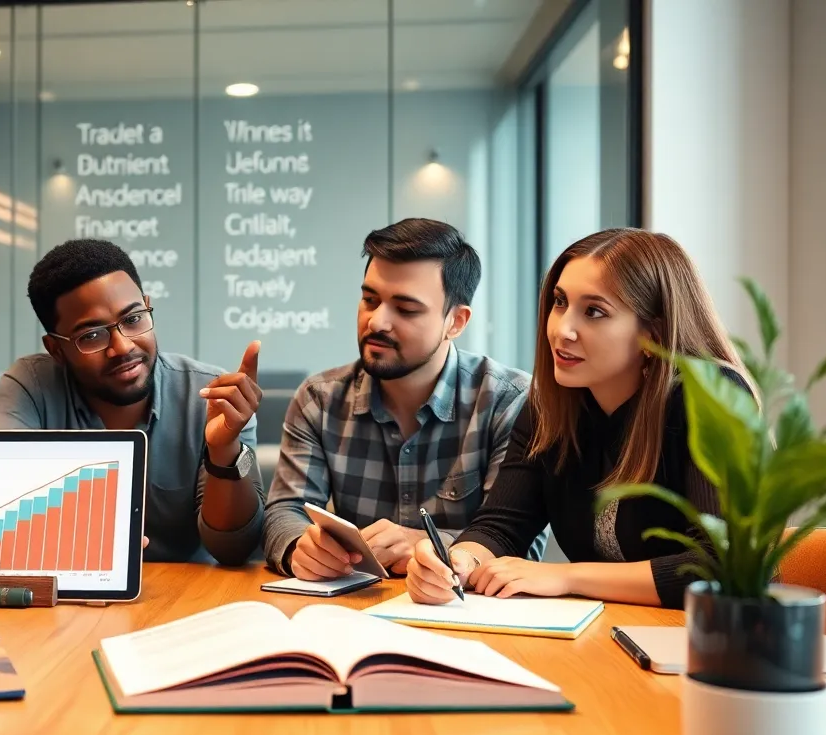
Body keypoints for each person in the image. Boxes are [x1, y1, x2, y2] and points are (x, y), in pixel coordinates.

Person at [406, 228, 750, 609]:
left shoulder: (712, 393)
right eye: (559, 302)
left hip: (715, 647)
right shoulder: (550, 407)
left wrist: (565, 576)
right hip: (607, 638)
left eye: (594, 312)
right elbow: (500, 529)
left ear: (653, 331)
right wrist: (458, 563)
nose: (561, 330)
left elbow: (722, 566)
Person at [263, 219, 536, 580]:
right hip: (353, 613)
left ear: (456, 322)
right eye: (369, 299)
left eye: (406, 309)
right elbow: (286, 509)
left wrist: (432, 547)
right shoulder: (320, 398)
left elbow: (519, 542)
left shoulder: (510, 403)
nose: (376, 322)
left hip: (464, 619)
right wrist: (302, 548)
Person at [0, 239, 263, 565]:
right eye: (91, 336)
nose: (123, 347)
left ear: (146, 305)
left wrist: (223, 451)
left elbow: (234, 548)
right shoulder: (32, 385)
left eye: (133, 319)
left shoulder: (211, 397)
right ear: (56, 349)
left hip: (187, 600)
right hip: (69, 601)